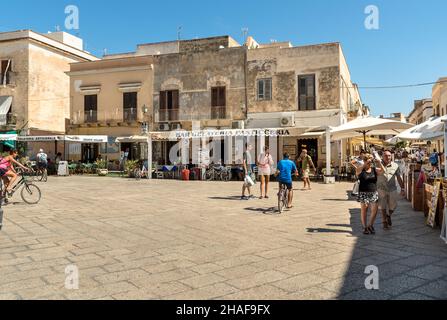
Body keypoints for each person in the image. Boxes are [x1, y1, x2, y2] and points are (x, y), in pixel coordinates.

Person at [352, 153, 385, 235]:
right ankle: (364, 227)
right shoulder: (360, 169)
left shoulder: (374, 169)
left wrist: (379, 162)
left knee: (375, 210)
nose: (370, 163)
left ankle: (370, 225)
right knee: (364, 209)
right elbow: (358, 172)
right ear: (364, 161)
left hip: (373, 192)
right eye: (368, 161)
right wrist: (365, 164)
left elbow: (383, 171)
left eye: (370, 161)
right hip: (363, 192)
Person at [377, 150, 405, 230]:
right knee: (382, 206)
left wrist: (402, 188)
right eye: (385, 155)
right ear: (382, 156)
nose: (387, 157)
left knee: (393, 205)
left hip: (392, 188)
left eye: (389, 155)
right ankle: (384, 222)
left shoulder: (395, 165)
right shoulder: (378, 164)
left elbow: (399, 177)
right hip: (381, 188)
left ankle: (388, 215)